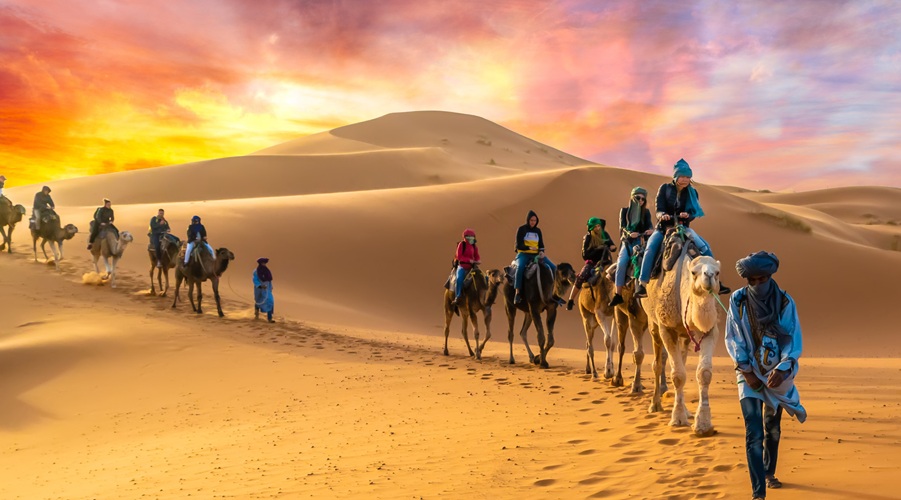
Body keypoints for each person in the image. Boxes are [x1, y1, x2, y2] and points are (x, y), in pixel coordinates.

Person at [725, 251, 806, 500]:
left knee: (772, 428)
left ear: (770, 276)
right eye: (752, 280)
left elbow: (791, 339)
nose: (758, 285)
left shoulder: (783, 302)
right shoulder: (737, 300)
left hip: (774, 374)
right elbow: (734, 337)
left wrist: (782, 370)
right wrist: (746, 370)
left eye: (762, 279)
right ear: (746, 280)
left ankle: (769, 472)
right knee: (754, 432)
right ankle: (758, 492)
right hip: (748, 374)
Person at [635, 159, 730, 298]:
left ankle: (717, 281)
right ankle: (642, 284)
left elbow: (693, 212)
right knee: (650, 248)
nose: (686, 180)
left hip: (683, 228)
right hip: (664, 228)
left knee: (705, 247)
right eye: (683, 176)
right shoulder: (665, 189)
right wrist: (662, 215)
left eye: (688, 177)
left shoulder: (692, 193)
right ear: (676, 176)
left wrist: (688, 215)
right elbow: (659, 208)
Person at [609, 187, 654, 307]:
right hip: (627, 242)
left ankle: (641, 286)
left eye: (643, 199)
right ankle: (618, 295)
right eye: (638, 198)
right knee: (622, 263)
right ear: (632, 198)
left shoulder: (646, 213)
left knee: (643, 260)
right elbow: (622, 227)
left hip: (641, 241)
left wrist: (650, 230)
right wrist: (629, 233)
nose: (641, 201)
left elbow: (650, 225)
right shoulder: (624, 211)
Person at [566, 217, 616, 310]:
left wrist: (612, 247)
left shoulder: (605, 234)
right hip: (593, 263)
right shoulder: (588, 238)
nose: (598, 228)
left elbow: (611, 245)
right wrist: (597, 249)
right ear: (591, 228)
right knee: (582, 277)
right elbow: (585, 255)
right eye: (595, 227)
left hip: (606, 262)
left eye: (599, 226)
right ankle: (571, 300)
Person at [513, 210, 561, 305]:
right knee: (520, 267)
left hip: (536, 255)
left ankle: (555, 293)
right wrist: (528, 247)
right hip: (524, 254)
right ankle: (517, 293)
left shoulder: (538, 231)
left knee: (554, 268)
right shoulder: (521, 229)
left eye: (534, 220)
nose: (533, 222)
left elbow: (541, 245)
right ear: (528, 220)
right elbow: (518, 245)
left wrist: (541, 252)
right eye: (531, 220)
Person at [451, 228, 481, 307]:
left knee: (482, 277)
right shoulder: (462, 244)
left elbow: (477, 256)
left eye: (473, 236)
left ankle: (482, 297)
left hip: (472, 268)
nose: (472, 238)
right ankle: (458, 296)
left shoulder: (474, 246)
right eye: (470, 236)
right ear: (466, 237)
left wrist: (477, 261)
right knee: (459, 279)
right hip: (462, 266)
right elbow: (459, 257)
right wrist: (469, 260)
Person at [253, 257, 275, 323]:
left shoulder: (267, 271)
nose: (264, 264)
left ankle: (269, 318)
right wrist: (260, 286)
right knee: (259, 302)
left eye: (264, 263)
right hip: (259, 290)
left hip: (267, 290)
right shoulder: (256, 271)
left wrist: (271, 287)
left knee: (270, 301)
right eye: (263, 263)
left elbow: (269, 280)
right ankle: (256, 315)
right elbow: (255, 280)